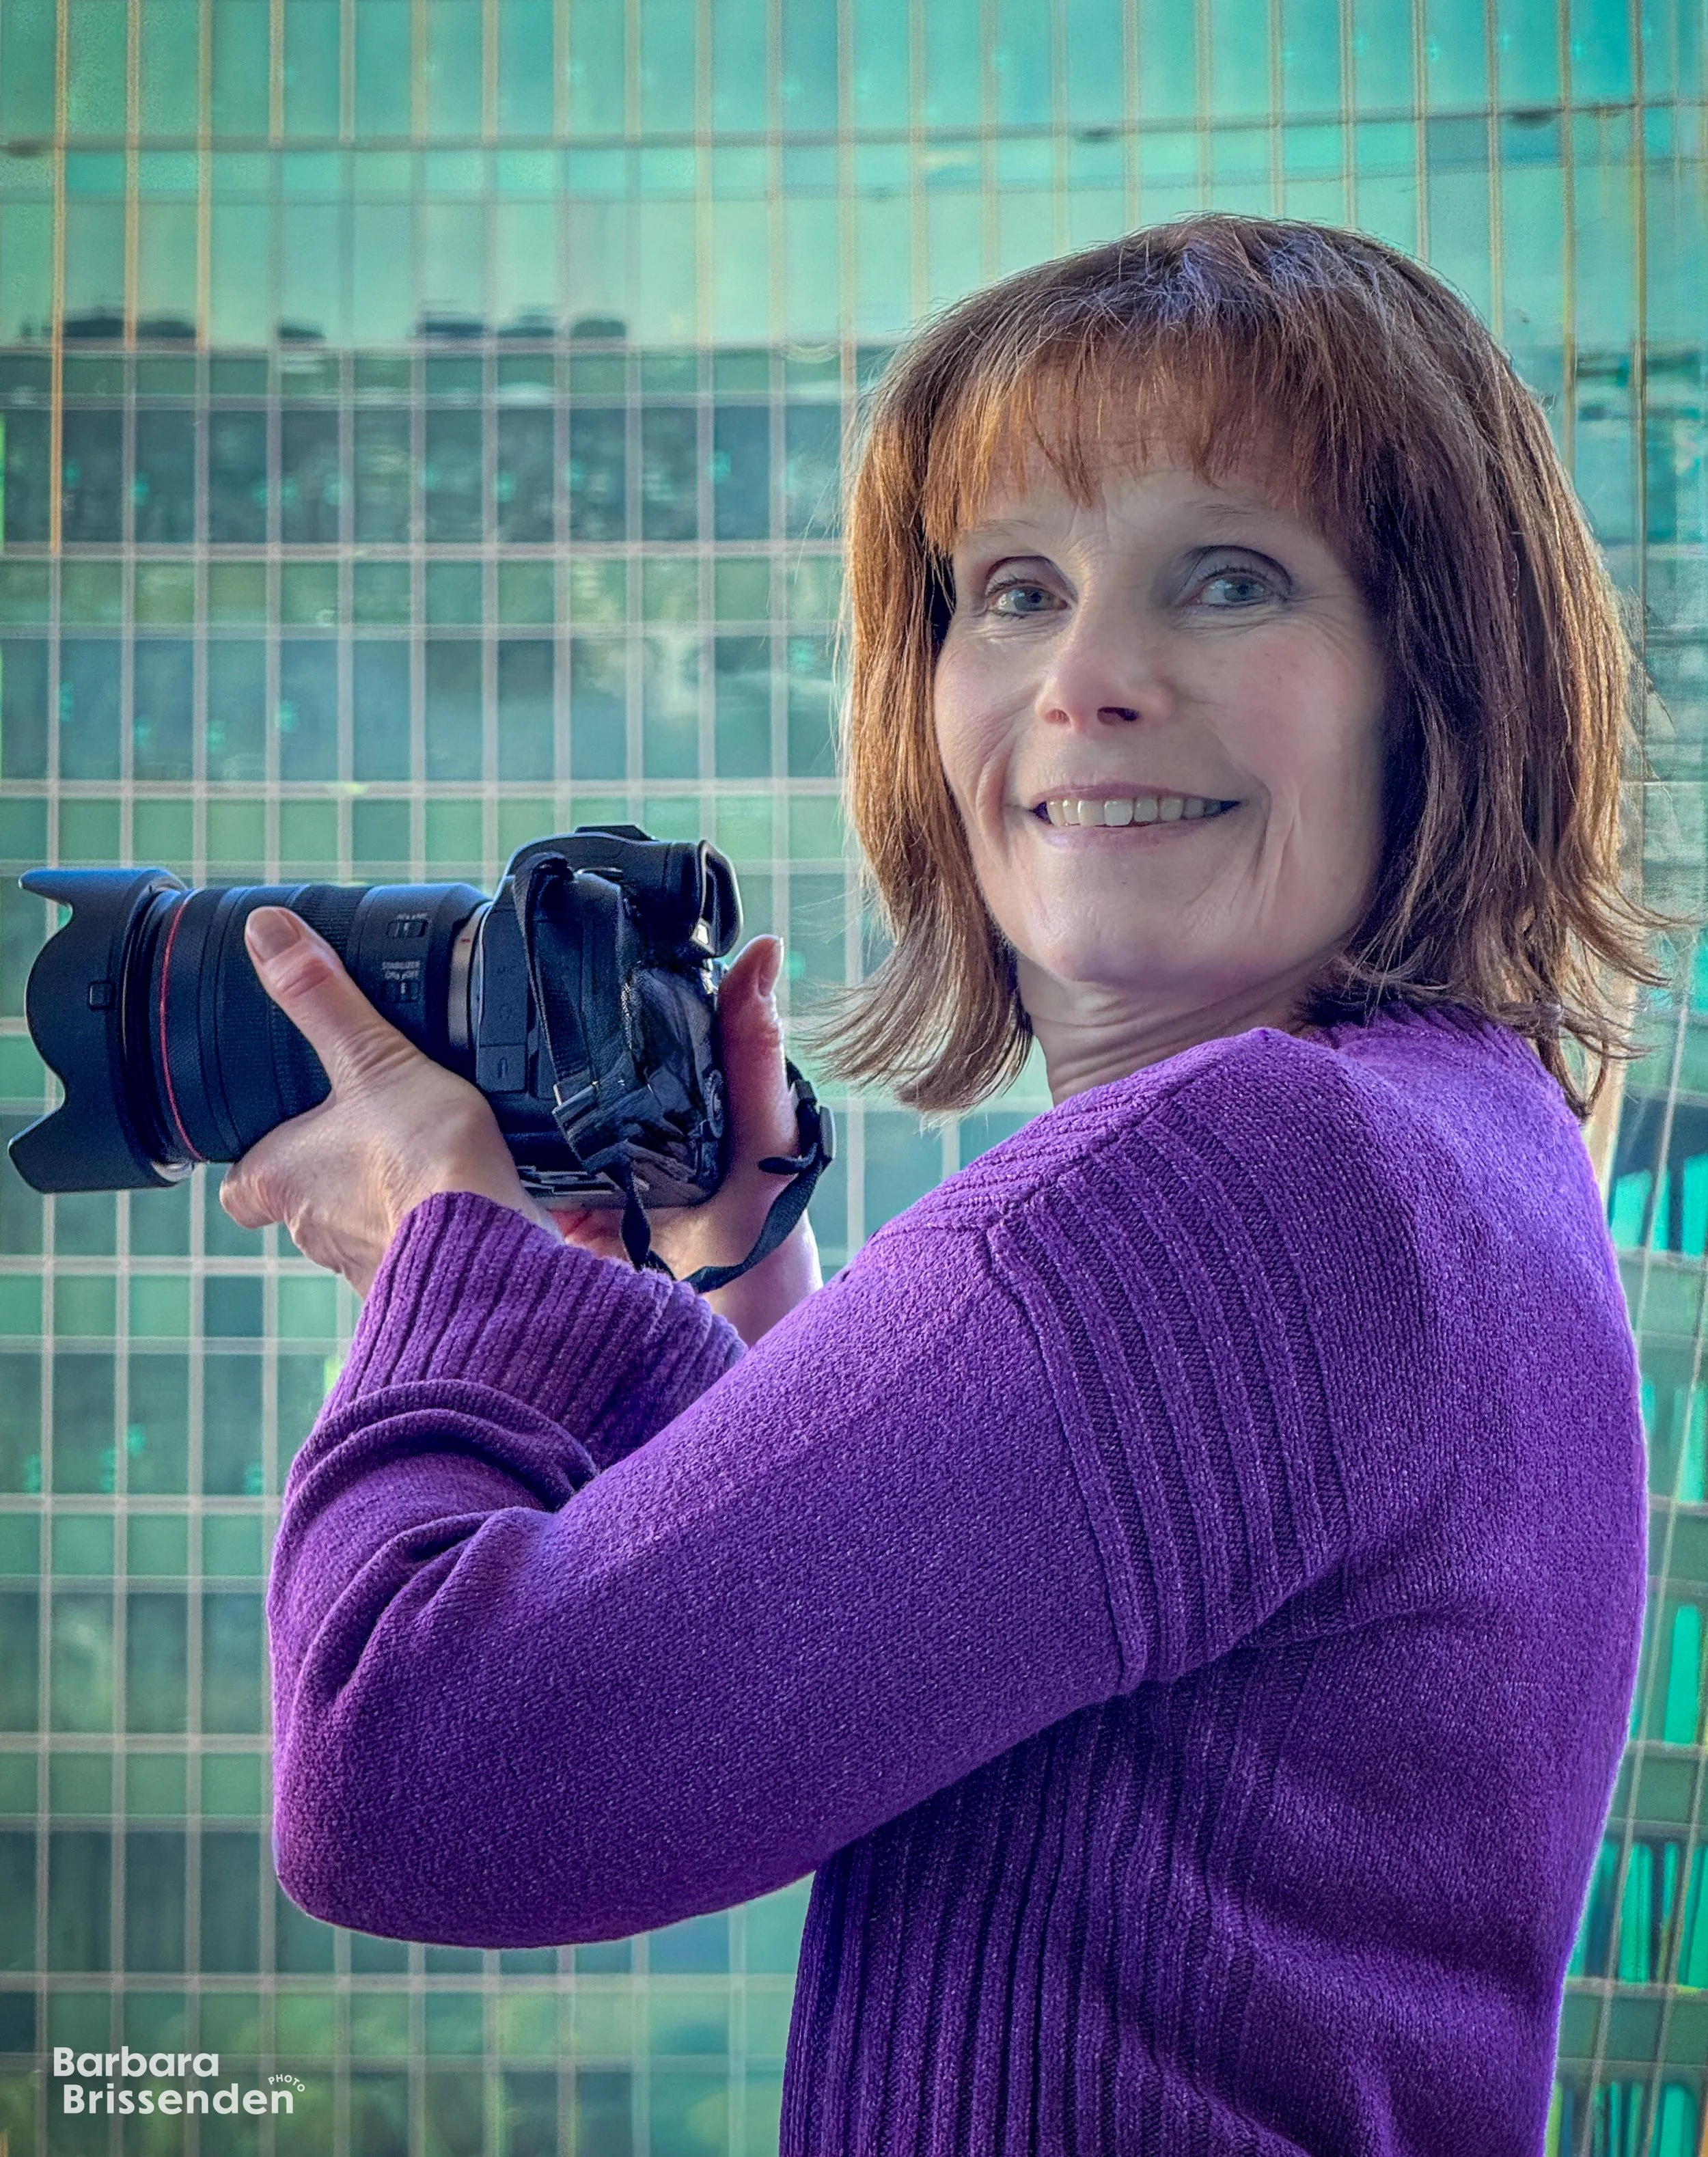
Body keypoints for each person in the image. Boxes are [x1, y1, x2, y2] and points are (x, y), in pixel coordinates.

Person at [232, 215, 1686, 2152]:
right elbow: (1005, 1644)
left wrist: (448, 1265)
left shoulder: (1246, 1183)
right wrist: (741, 1283)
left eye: (1229, 578)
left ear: (1430, 684)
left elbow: (405, 1775)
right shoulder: (1460, 1141)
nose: (1085, 675)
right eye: (1010, 589)